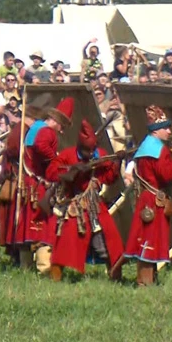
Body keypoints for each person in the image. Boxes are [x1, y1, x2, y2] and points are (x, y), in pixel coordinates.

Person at [45, 120, 126, 281]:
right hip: (74, 203)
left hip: (95, 204)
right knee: (64, 244)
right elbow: (52, 173)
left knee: (109, 242)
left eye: (92, 149)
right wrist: (75, 170)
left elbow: (109, 178)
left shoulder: (101, 155)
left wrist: (118, 162)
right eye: (87, 150)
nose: (90, 153)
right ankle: (55, 277)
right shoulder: (68, 155)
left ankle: (115, 277)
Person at [123, 105, 172, 286]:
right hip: (153, 199)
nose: (169, 131)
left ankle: (145, 280)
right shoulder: (159, 149)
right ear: (156, 130)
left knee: (145, 240)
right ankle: (146, 283)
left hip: (145, 197)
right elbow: (165, 174)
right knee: (150, 241)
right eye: (166, 127)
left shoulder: (146, 145)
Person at [13, 97, 75, 270]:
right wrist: (57, 161)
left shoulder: (35, 127)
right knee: (43, 226)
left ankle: (25, 267)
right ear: (56, 121)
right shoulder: (47, 131)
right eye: (62, 126)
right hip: (38, 184)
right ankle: (43, 268)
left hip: (29, 182)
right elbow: (41, 147)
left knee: (27, 225)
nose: (61, 131)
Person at [0, 105, 43, 266]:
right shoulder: (21, 130)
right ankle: (17, 255)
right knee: (17, 219)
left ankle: (19, 255)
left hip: (20, 173)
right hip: (18, 177)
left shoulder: (24, 129)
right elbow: (14, 151)